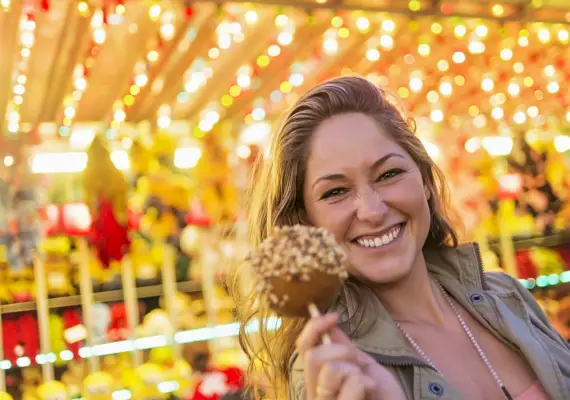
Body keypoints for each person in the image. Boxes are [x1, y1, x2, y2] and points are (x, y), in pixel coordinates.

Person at [232, 76, 570, 400]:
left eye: (389, 174)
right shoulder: (332, 367)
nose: (372, 210)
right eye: (335, 191)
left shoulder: (507, 296)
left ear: (423, 180)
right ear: (306, 223)